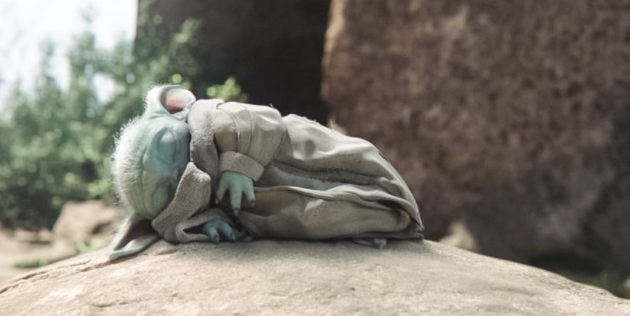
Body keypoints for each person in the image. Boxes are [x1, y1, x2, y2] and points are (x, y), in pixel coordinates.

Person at [107, 85, 423, 261]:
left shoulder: (213, 120)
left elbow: (262, 119)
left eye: (169, 148)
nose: (176, 170)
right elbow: (179, 226)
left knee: (351, 163)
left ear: (175, 108)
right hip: (286, 207)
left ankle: (389, 201)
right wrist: (208, 223)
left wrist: (237, 164)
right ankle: (379, 220)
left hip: (299, 152)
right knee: (322, 215)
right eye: (165, 189)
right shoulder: (187, 207)